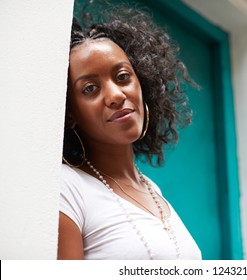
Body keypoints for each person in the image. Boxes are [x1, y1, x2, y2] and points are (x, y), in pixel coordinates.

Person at [58, 5, 202, 260]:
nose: (115, 95)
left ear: (142, 83)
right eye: (90, 88)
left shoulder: (153, 190)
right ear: (70, 114)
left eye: (123, 76)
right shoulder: (67, 188)